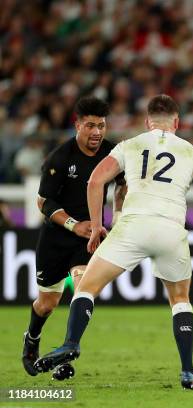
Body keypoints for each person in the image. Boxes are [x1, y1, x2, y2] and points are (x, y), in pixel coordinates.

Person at [35, 94, 193, 390]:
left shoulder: (131, 144)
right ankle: (189, 372)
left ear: (146, 122)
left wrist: (98, 228)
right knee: (180, 300)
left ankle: (71, 343)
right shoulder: (192, 151)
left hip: (133, 226)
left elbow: (95, 182)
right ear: (177, 123)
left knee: (86, 287)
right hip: (171, 230)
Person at [22, 97, 127, 377]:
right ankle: (32, 338)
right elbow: (44, 202)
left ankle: (67, 350)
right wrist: (73, 224)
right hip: (57, 237)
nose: (97, 132)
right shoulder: (60, 157)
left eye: (101, 126)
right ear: (77, 125)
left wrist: (116, 215)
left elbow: (123, 184)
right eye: (90, 125)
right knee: (47, 304)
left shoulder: (112, 153)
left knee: (83, 290)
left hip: (89, 238)